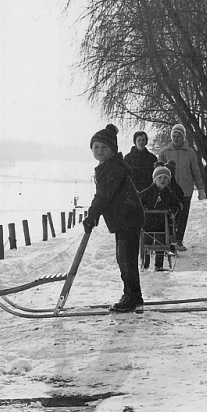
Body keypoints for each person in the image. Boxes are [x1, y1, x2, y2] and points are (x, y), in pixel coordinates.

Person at [82, 124, 146, 312]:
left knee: (126, 260)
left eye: (104, 147)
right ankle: (133, 295)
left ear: (112, 150)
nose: (99, 151)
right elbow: (104, 195)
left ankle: (132, 296)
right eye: (96, 147)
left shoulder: (112, 168)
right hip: (124, 218)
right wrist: (94, 215)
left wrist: (92, 214)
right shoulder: (108, 166)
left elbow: (103, 195)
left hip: (128, 218)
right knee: (124, 259)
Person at [158, 123, 206, 251]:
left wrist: (200, 188)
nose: (176, 138)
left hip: (185, 190)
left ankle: (179, 241)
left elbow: (195, 171)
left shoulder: (190, 152)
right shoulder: (165, 152)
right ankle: (170, 239)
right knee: (170, 215)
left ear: (183, 137)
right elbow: (158, 170)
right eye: (174, 135)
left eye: (178, 135)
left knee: (182, 216)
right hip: (169, 190)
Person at [138, 164, 183, 271]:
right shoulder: (149, 191)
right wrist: (143, 207)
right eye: (160, 178)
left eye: (166, 178)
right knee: (146, 243)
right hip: (148, 222)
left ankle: (159, 264)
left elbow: (177, 204)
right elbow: (139, 199)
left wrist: (172, 211)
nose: (163, 180)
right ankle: (145, 262)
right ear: (155, 180)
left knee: (161, 243)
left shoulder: (169, 193)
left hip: (162, 223)